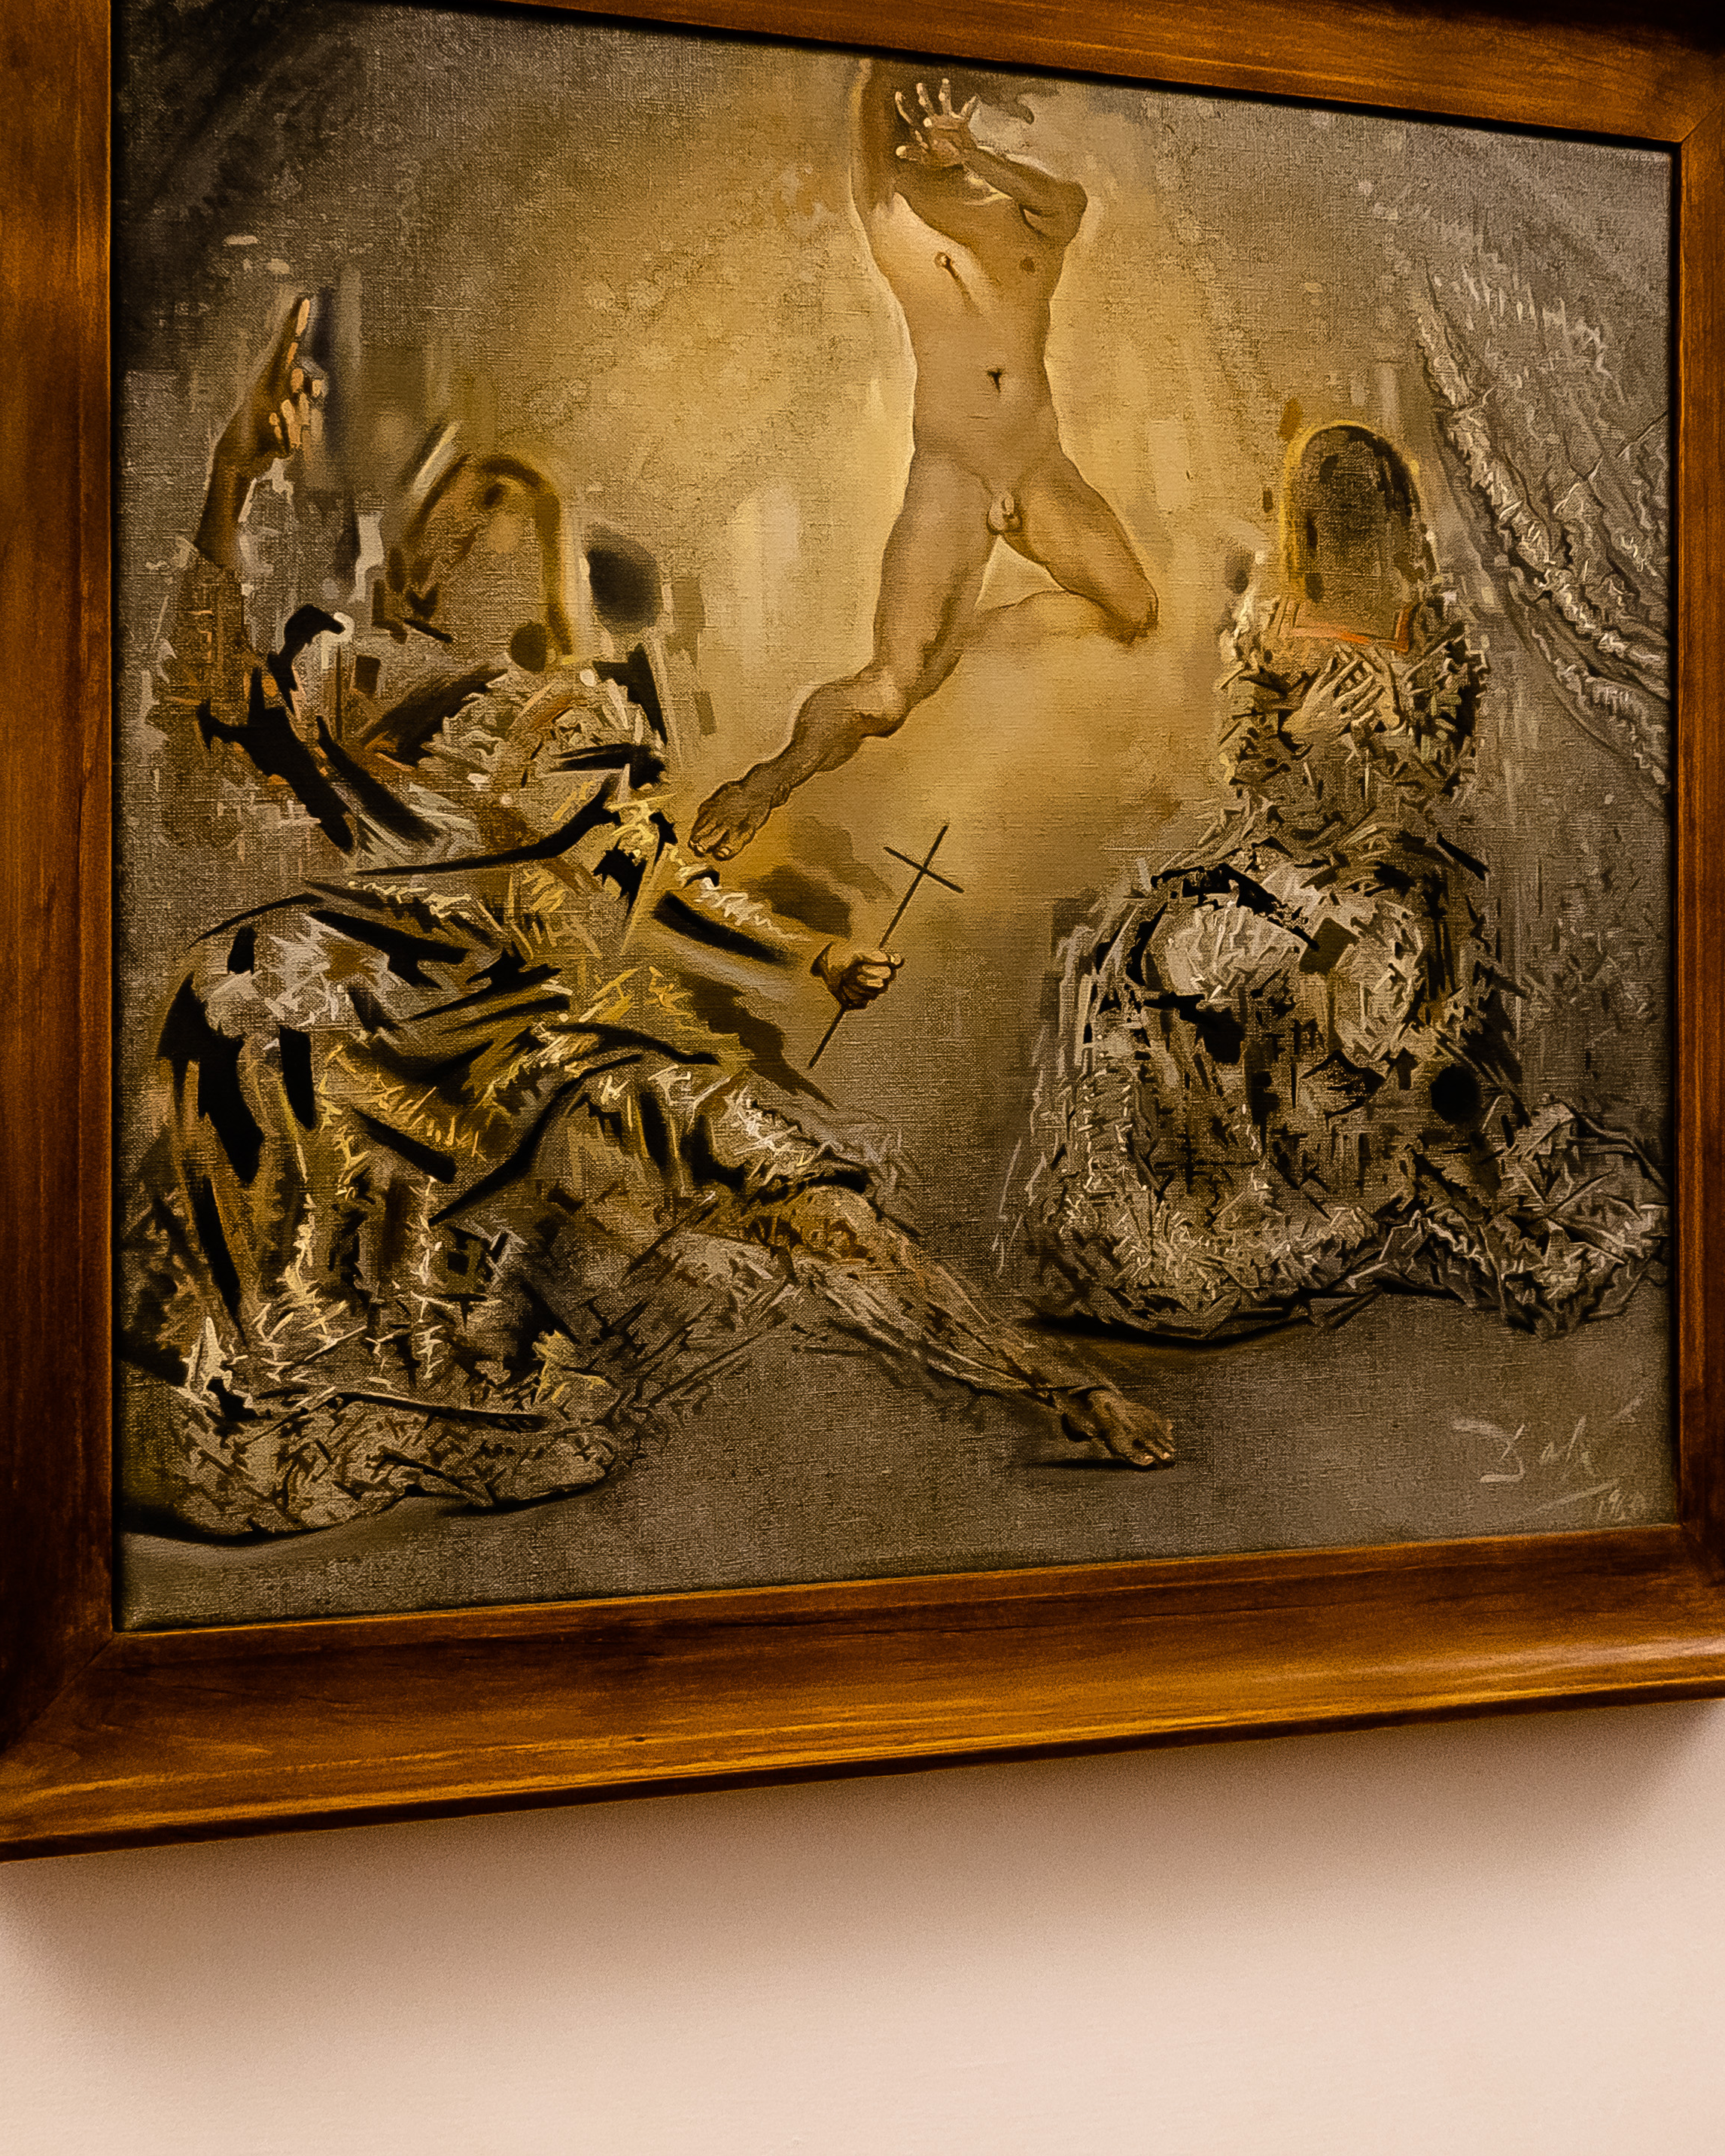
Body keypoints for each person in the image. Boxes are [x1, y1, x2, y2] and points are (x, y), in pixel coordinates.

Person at [123, 296, 1173, 1540]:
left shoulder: (568, 725)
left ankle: (1047, 1377)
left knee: (787, 1186)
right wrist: (229, 476)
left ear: (543, 587)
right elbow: (204, 706)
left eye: (508, 547)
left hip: (523, 1060)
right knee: (245, 1013)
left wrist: (812, 953)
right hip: (357, 1041)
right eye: (454, 538)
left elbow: (663, 879)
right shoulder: (339, 677)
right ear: (415, 565)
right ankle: (314, 1369)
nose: (472, 564)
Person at [1008, 423, 1667, 1343]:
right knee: (1157, 940)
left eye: (1368, 520)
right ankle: (1205, 1199)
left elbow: (1439, 778)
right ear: (1311, 529)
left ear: (1393, 523)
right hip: (1276, 863)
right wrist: (1301, 731)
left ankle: (1319, 1190)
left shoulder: (1434, 634)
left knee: (1325, 963)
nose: (1353, 540)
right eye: (1333, 521)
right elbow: (1243, 763)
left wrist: (1388, 729)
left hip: (1392, 877)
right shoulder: (1270, 624)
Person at [689, 68, 1160, 857]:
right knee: (888, 693)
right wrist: (876, 86)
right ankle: (767, 783)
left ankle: (967, 637)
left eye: (936, 112)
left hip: (1037, 464)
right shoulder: (893, 215)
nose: (920, 130)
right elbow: (867, 108)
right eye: (908, 117)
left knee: (1134, 613)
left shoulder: (1027, 219)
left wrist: (971, 154)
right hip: (952, 473)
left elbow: (1067, 205)